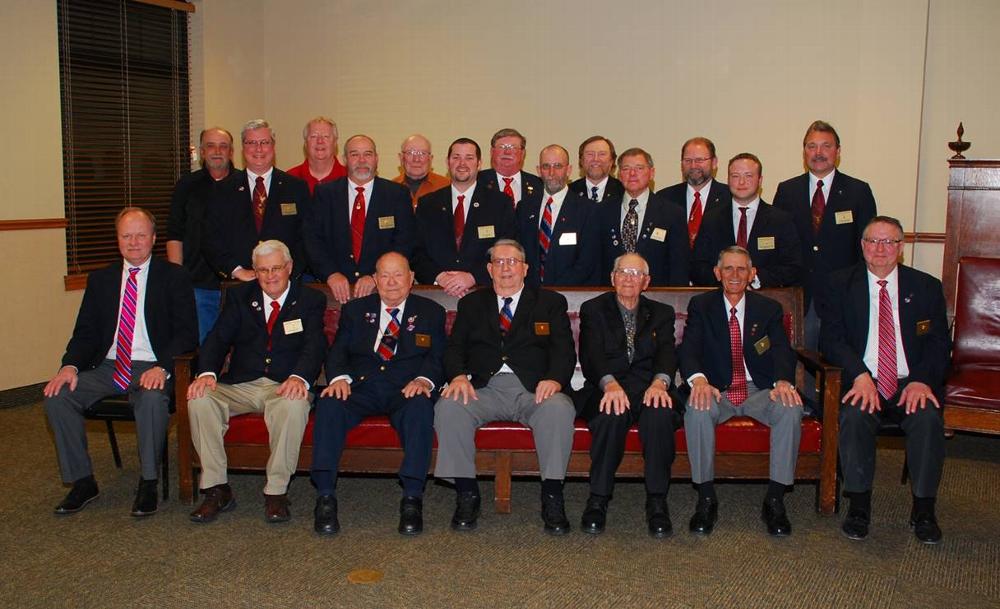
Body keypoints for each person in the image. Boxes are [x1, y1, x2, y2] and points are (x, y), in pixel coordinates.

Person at [43, 208, 197, 517]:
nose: (134, 242)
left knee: (153, 400)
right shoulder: (102, 279)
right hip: (107, 366)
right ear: (118, 240)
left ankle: (149, 482)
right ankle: (83, 481)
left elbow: (187, 333)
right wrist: (69, 366)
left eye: (141, 235)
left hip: (152, 365)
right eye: (127, 236)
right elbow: (85, 333)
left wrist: (163, 367)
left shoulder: (174, 276)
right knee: (57, 395)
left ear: (154, 239)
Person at [819, 216, 948, 544]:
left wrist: (921, 380)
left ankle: (924, 509)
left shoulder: (926, 287)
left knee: (928, 419)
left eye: (889, 242)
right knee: (854, 415)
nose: (880, 249)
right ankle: (859, 506)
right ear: (862, 246)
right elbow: (832, 340)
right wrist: (859, 375)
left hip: (909, 382)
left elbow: (938, 345)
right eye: (873, 241)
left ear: (901, 248)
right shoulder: (838, 283)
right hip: (864, 377)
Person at [433, 239, 577, 535]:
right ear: (489, 269)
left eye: (513, 262)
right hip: (484, 388)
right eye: (499, 262)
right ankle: (466, 493)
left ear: (525, 268)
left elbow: (564, 351)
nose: (506, 268)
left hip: (534, 389)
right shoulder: (471, 303)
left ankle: (552, 495)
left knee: (560, 409)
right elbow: (454, 348)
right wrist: (458, 376)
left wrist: (554, 379)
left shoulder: (550, 302)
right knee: (448, 407)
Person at [186, 240, 326, 524]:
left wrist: (300, 377)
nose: (270, 276)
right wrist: (207, 373)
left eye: (276, 268)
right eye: (263, 270)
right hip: (241, 384)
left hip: (285, 384)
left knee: (294, 405)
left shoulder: (311, 300)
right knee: (199, 399)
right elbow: (217, 338)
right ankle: (216, 489)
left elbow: (315, 345)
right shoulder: (240, 297)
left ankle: (276, 492)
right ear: (255, 271)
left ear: (289, 268)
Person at [311, 252, 446, 536]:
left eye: (398, 274)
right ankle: (325, 496)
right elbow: (337, 352)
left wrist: (423, 380)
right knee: (329, 405)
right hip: (361, 386)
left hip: (405, 389)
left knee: (421, 408)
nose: (392, 282)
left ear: (411, 279)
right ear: (374, 280)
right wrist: (338, 379)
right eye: (384, 275)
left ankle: (412, 497)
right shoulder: (356, 310)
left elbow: (438, 358)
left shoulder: (431, 312)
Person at [680, 246, 804, 537]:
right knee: (697, 408)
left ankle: (775, 498)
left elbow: (783, 352)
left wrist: (783, 381)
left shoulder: (768, 308)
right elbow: (689, 349)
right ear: (717, 273)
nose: (734, 275)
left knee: (790, 407)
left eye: (741, 269)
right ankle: (706, 497)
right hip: (716, 389)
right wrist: (698, 380)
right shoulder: (702, 305)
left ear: (752, 274)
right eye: (728, 269)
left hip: (758, 389)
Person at [576, 253, 680, 537]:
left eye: (636, 273)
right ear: (612, 278)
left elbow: (668, 353)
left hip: (649, 387)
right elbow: (591, 354)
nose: (628, 278)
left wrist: (660, 383)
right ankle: (598, 498)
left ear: (646, 282)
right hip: (607, 386)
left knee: (659, 415)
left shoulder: (661, 313)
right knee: (612, 412)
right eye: (622, 272)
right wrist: (609, 385)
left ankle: (657, 501)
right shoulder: (593, 309)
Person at [773, 120, 877, 348]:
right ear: (804, 152)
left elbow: (868, 247)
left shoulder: (858, 191)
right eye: (811, 146)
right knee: (802, 365)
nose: (818, 153)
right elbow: (779, 246)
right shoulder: (787, 191)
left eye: (826, 146)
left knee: (840, 364)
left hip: (843, 297)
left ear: (838, 152)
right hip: (800, 296)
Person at [303, 134, 415, 304]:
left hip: (380, 290)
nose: (362, 160)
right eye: (355, 154)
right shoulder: (325, 194)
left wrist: (376, 276)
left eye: (368, 154)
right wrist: (330, 274)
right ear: (344, 159)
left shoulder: (397, 194)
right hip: (335, 291)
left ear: (376, 159)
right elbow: (312, 240)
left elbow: (405, 242)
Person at [204, 119, 310, 281]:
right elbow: (211, 239)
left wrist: (288, 274)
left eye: (264, 142)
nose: (258, 149)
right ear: (242, 148)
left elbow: (307, 238)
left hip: (286, 284)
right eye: (251, 142)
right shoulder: (222, 190)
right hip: (239, 285)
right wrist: (237, 271)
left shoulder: (296, 187)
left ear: (273, 146)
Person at [412, 138, 516, 296]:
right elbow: (416, 252)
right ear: (447, 162)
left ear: (479, 163)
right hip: (437, 292)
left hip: (483, 293)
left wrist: (473, 277)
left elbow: (507, 250)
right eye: (456, 157)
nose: (462, 163)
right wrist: (440, 277)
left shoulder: (500, 204)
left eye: (469, 158)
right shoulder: (428, 204)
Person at [691, 153, 803, 288]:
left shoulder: (780, 220)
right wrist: (725, 279)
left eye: (748, 176)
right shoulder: (711, 219)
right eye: (735, 176)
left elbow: (793, 267)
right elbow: (698, 266)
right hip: (720, 301)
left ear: (760, 180)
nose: (742, 182)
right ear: (728, 180)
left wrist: (755, 278)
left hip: (766, 301)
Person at [166, 127, 235, 342]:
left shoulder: (243, 184)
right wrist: (178, 280)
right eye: (210, 146)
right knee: (203, 348)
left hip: (237, 286)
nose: (217, 151)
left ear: (231, 152)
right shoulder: (186, 186)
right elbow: (174, 233)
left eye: (223, 146)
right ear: (203, 152)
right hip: (197, 286)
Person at [598, 147, 689, 286]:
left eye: (639, 168)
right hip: (610, 297)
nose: (632, 174)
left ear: (651, 173)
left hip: (657, 298)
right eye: (626, 169)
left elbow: (679, 266)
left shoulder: (672, 213)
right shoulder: (602, 211)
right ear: (619, 175)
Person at [516, 144, 600, 287]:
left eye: (558, 166)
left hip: (569, 293)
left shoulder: (588, 209)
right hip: (529, 293)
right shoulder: (524, 207)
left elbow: (587, 262)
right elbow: (519, 252)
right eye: (546, 166)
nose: (551, 172)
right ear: (538, 171)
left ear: (569, 170)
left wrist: (555, 290)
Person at [657, 136, 731, 250]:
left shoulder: (729, 197)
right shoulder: (664, 198)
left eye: (699, 160)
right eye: (688, 160)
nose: (693, 166)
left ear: (714, 162)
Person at [477, 128, 543, 209]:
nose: (507, 152)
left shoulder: (538, 185)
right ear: (492, 152)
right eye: (501, 147)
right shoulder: (477, 181)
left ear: (523, 153)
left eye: (513, 147)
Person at [285, 116, 347, 195]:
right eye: (313, 136)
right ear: (306, 143)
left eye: (326, 136)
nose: (320, 141)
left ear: (335, 143)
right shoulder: (290, 179)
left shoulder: (349, 178)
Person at [391, 134, 450, 207]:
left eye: (422, 153)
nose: (416, 159)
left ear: (430, 159)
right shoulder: (391, 188)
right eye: (410, 153)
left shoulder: (447, 186)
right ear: (401, 158)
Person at [569, 135, 624, 205]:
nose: (595, 159)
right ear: (581, 160)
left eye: (602, 154)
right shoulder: (569, 192)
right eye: (590, 154)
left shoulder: (623, 191)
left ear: (611, 161)